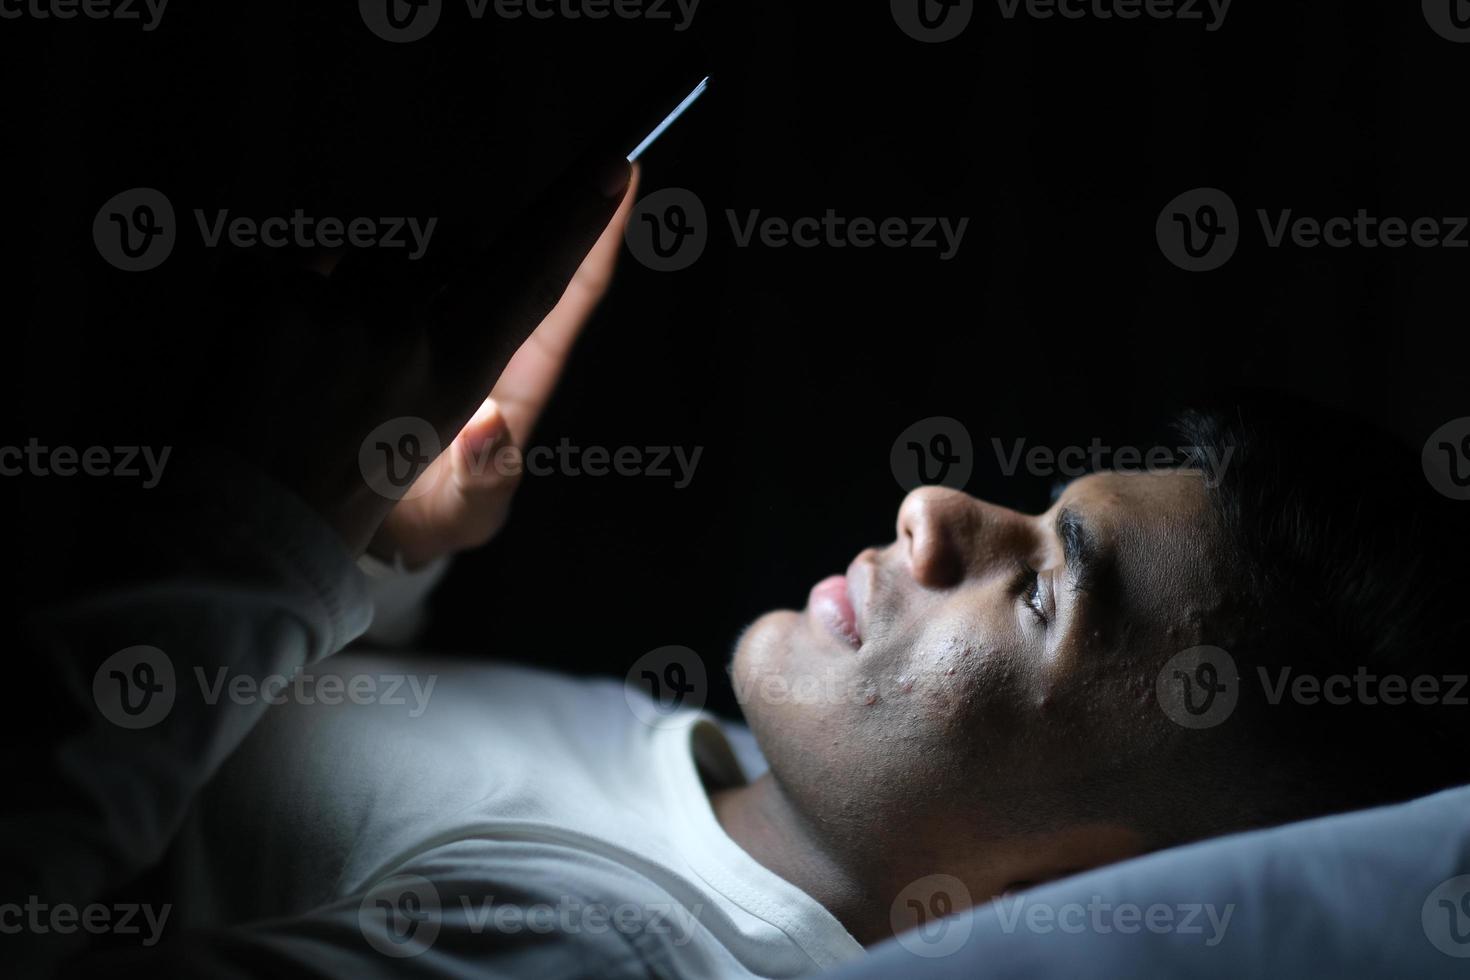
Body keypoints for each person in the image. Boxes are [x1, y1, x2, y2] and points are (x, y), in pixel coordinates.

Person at [10, 149, 1467, 975]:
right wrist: (371, 558)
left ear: (1075, 878)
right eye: (1028, 512)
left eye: (1038, 593)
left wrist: (257, 533)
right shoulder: (683, 776)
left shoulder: (593, 956)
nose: (934, 510)